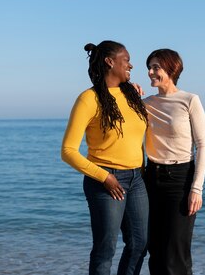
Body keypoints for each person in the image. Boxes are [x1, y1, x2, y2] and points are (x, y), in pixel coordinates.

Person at [61, 41, 149, 275]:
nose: (131, 64)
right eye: (126, 59)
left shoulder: (131, 94)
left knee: (140, 244)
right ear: (110, 62)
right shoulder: (88, 99)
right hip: (106, 181)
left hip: (137, 179)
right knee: (105, 250)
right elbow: (68, 151)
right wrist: (104, 177)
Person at [143, 48, 205, 275]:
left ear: (172, 69)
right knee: (155, 249)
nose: (150, 72)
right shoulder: (145, 103)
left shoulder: (189, 100)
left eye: (156, 67)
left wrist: (196, 188)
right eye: (149, 68)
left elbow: (203, 145)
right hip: (150, 178)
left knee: (176, 253)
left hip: (180, 180)